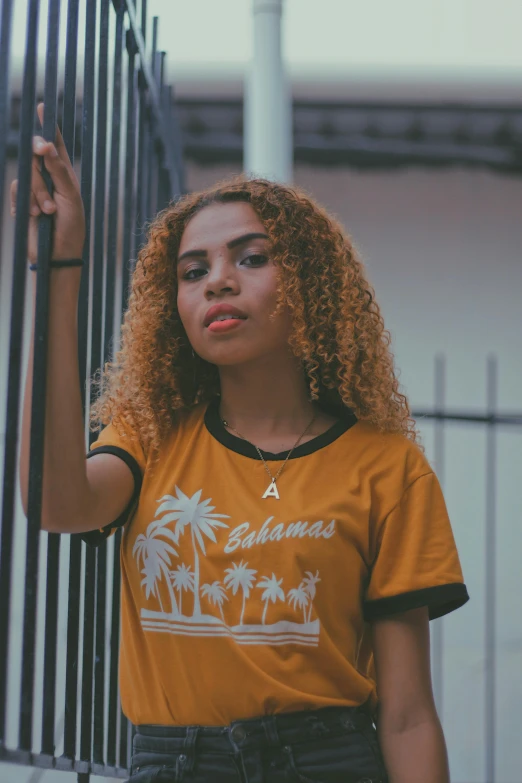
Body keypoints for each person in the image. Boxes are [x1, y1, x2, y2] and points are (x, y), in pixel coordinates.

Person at [16, 105, 469, 783]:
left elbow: (407, 715)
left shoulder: (388, 467)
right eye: (192, 271)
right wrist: (59, 269)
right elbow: (56, 502)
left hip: (329, 762)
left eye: (251, 258)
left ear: (312, 285)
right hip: (172, 763)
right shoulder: (151, 436)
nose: (218, 280)